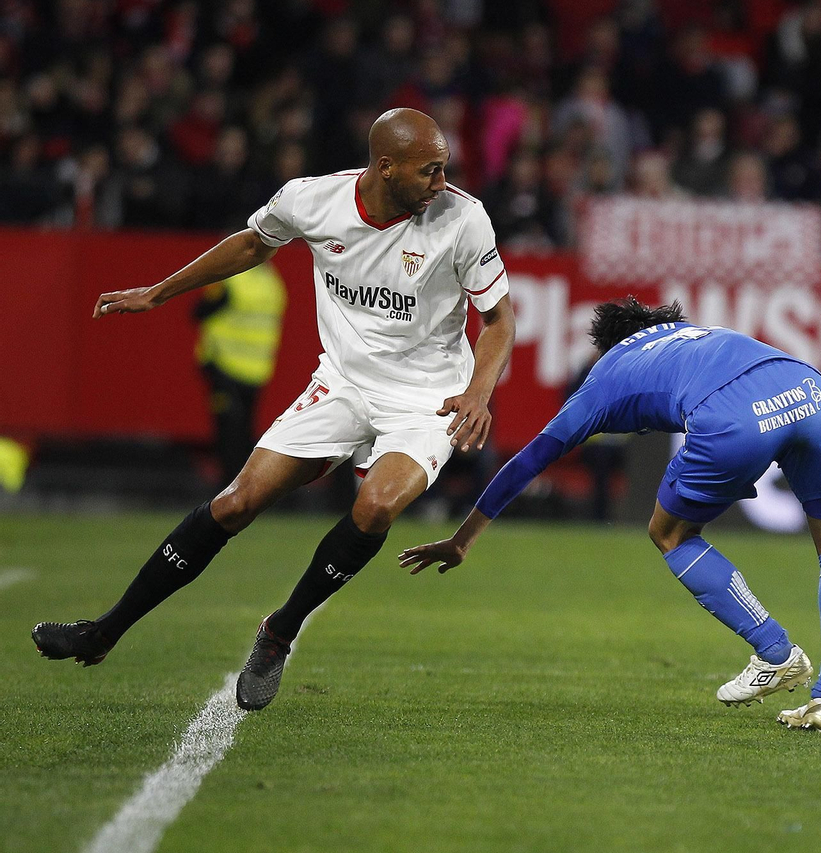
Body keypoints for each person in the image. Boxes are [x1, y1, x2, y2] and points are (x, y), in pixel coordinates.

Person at [32, 109, 515, 712]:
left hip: (426, 398)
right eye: (430, 171)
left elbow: (499, 320)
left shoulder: (463, 219)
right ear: (386, 167)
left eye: (444, 170)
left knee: (376, 506)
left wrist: (478, 391)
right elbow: (250, 244)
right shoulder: (312, 200)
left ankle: (280, 631)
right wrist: (157, 292)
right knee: (235, 502)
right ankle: (104, 631)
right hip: (343, 385)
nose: (442, 183)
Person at [398, 298, 821, 732]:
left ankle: (775, 651)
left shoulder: (605, 373)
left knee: (670, 533)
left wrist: (462, 539)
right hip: (807, 388)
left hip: (735, 414)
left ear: (606, 346)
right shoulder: (693, 333)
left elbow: (529, 460)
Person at [193, 261, 288, 484]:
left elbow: (199, 312)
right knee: (245, 433)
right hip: (257, 369)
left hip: (225, 366)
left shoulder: (232, 278)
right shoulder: (272, 282)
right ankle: (245, 487)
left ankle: (227, 490)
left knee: (228, 435)